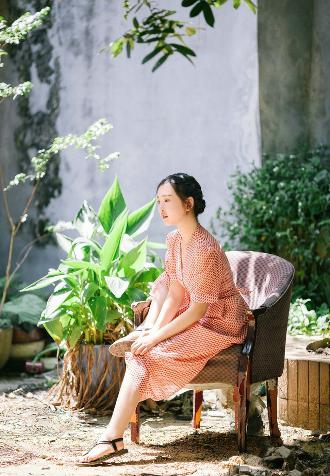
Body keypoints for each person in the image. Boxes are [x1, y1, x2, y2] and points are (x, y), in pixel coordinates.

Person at [78, 173, 249, 465]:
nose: (161, 208)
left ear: (189, 203)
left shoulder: (205, 249)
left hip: (219, 322)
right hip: (195, 313)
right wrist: (154, 329)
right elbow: (176, 290)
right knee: (160, 290)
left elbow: (198, 310)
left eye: (167, 200)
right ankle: (113, 436)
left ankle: (111, 438)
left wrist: (156, 338)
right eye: (159, 201)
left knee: (146, 354)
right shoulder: (175, 239)